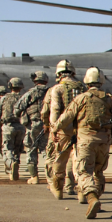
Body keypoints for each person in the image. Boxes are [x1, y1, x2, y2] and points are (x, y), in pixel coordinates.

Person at [55, 67, 112, 220]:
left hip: (85, 141)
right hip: (104, 142)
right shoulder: (109, 99)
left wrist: (55, 128)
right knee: (98, 172)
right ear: (101, 81)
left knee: (84, 172)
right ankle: (96, 198)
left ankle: (91, 198)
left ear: (87, 81)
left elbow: (66, 118)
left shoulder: (81, 98)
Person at [47, 60, 85, 200]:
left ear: (58, 74)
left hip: (64, 129)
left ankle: (58, 189)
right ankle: (81, 191)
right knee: (78, 160)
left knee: (60, 159)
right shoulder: (83, 88)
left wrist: (53, 129)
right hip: (80, 129)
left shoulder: (57, 88)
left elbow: (55, 110)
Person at [14, 71, 50, 184]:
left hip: (33, 125)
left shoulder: (30, 93)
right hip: (48, 125)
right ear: (46, 80)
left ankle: (34, 177)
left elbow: (17, 108)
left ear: (35, 81)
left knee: (31, 149)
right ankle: (51, 176)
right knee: (47, 150)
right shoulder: (51, 92)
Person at [0, 77, 26, 180]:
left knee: (7, 148)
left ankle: (11, 163)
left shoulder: (4, 98)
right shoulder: (24, 98)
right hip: (21, 126)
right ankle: (15, 166)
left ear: (10, 86)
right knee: (17, 148)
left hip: (8, 126)